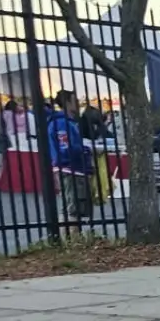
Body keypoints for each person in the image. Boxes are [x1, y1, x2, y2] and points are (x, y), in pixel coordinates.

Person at [44, 90, 94, 225]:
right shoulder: (63, 123)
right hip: (70, 168)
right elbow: (65, 148)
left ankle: (69, 233)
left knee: (70, 207)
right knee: (73, 209)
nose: (77, 104)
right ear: (67, 103)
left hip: (69, 168)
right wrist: (85, 150)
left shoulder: (66, 122)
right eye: (75, 101)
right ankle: (71, 235)